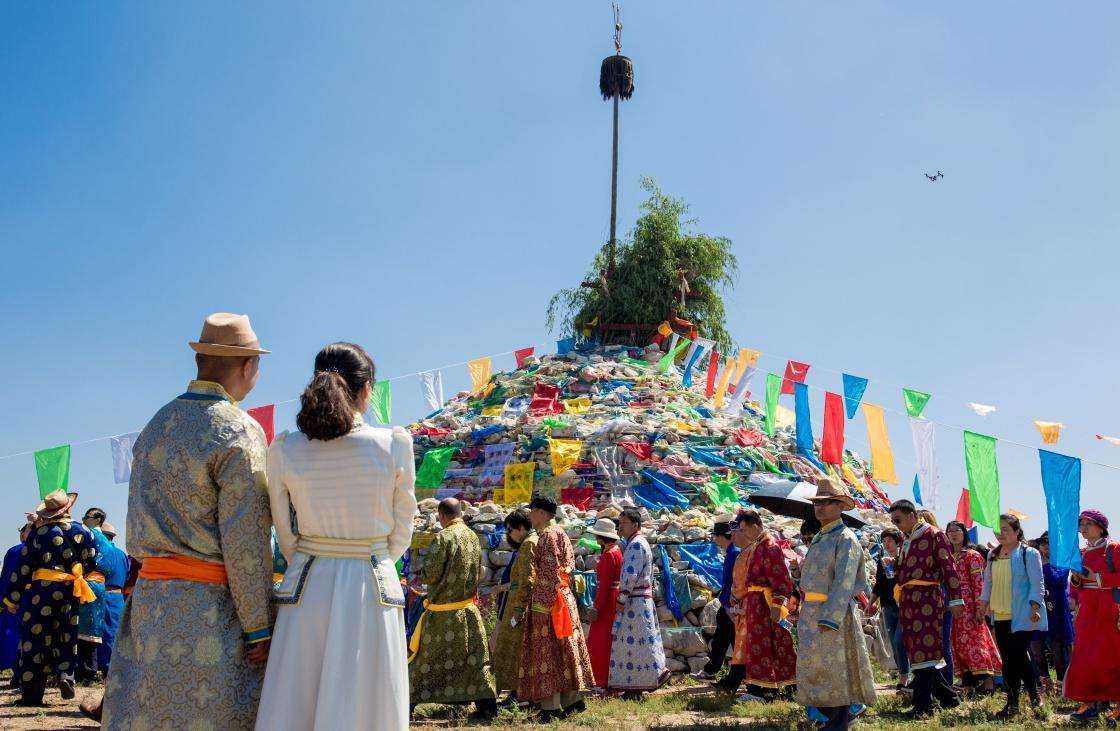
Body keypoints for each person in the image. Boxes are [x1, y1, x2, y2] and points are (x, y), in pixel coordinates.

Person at [103, 313, 275, 729]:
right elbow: (246, 539)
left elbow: (133, 523)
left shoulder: (156, 425)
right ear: (248, 366)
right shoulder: (238, 430)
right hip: (209, 613)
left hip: (151, 605)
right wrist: (259, 627)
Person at [255, 342, 417, 730]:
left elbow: (284, 531)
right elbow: (403, 527)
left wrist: (313, 553)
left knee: (298, 695)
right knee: (368, 698)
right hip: (372, 580)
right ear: (366, 389)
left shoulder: (286, 447)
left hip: (308, 581)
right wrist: (375, 554)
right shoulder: (394, 443)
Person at [796, 478, 876, 731]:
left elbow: (844, 581)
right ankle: (834, 719)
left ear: (840, 506)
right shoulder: (821, 538)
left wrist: (830, 616)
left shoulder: (846, 538)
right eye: (818, 502)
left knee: (835, 668)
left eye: (827, 502)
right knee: (816, 667)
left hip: (832, 615)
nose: (820, 507)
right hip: (811, 612)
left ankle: (839, 721)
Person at [3, 490, 97, 706]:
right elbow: (92, 562)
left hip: (41, 593)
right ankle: (66, 676)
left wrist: (11, 599)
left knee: (34, 640)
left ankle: (32, 695)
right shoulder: (84, 531)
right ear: (68, 508)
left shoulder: (39, 533)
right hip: (70, 590)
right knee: (66, 635)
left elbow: (23, 567)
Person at [407, 498, 496, 719]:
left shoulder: (443, 537)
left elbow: (432, 573)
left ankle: (407, 705)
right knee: (475, 663)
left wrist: (422, 576)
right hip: (467, 611)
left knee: (424, 662)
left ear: (442, 516)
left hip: (442, 615)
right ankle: (487, 707)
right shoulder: (472, 536)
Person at [518, 496, 594, 720]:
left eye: (532, 511)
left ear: (542, 513)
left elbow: (549, 574)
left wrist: (541, 605)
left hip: (550, 603)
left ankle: (550, 709)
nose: (530, 516)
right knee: (565, 652)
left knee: (547, 654)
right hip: (562, 598)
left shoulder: (547, 536)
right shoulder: (559, 532)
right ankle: (573, 702)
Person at [889, 499, 963, 718]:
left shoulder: (934, 534)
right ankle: (948, 698)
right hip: (909, 601)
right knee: (916, 649)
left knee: (926, 649)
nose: (896, 525)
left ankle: (923, 706)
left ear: (912, 515)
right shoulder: (907, 539)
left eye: (898, 520)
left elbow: (948, 567)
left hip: (928, 599)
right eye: (893, 521)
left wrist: (956, 599)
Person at [979, 513, 1046, 718]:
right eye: (997, 530)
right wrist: (983, 603)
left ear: (1017, 531)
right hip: (999, 613)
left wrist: (1035, 607)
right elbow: (988, 582)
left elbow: (1037, 583)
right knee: (1011, 657)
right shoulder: (993, 554)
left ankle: (1014, 703)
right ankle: (1032, 698)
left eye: (1006, 529)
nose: (1001, 534)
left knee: (1013, 659)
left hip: (1022, 613)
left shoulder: (1029, 553)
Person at [726, 508, 796, 702]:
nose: (742, 534)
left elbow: (781, 578)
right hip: (755, 603)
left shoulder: (770, 546)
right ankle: (763, 689)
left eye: (744, 529)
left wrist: (776, 606)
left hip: (766, 603)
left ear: (755, 526)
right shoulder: (758, 545)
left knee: (768, 645)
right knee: (759, 645)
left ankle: (762, 691)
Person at [1063, 509, 1120, 723]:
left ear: (1101, 527)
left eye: (1088, 524)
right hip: (1087, 611)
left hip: (1110, 608)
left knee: (1112, 656)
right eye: (1081, 524)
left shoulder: (1113, 549)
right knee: (1086, 656)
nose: (1083, 528)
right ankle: (1089, 705)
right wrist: (1074, 595)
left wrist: (1095, 578)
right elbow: (1075, 583)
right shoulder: (1081, 552)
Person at [608, 507, 669, 698]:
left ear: (635, 524)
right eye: (620, 523)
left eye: (624, 523)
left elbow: (629, 575)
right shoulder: (639, 543)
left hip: (634, 602)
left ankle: (637, 686)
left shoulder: (635, 545)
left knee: (633, 645)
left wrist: (621, 597)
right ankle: (637, 685)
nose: (620, 527)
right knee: (639, 645)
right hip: (640, 600)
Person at [945, 520, 1000, 693]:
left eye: (957, 530)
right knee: (958, 646)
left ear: (964, 533)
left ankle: (989, 683)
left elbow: (978, 583)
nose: (953, 534)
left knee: (976, 644)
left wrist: (980, 608)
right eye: (950, 531)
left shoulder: (971, 555)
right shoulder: (945, 557)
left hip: (970, 608)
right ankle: (967, 685)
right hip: (952, 609)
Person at [491, 509, 538, 701]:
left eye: (510, 530)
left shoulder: (528, 545)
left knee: (514, 651)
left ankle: (516, 692)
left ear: (520, 528)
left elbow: (527, 580)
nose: (508, 534)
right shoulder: (529, 543)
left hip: (519, 607)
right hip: (516, 604)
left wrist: (518, 610)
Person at [1030, 532, 1073, 694]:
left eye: (1050, 543)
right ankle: (1044, 684)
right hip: (1037, 610)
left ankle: (1062, 686)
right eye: (1043, 543)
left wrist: (1046, 565)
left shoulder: (1062, 562)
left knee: (1058, 651)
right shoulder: (1033, 560)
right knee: (1036, 649)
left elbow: (1059, 582)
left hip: (1057, 611)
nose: (1046, 546)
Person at [698, 520, 739, 681]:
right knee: (722, 638)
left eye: (716, 536)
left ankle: (739, 673)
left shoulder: (734, 553)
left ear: (722, 536)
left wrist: (729, 603)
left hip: (731, 603)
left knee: (732, 639)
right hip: (727, 602)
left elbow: (734, 581)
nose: (715, 540)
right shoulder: (731, 552)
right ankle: (711, 671)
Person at [870, 527, 910, 690]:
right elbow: (879, 584)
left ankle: (905, 676)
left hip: (903, 604)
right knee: (893, 642)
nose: (887, 544)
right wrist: (871, 601)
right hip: (887, 605)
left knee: (899, 640)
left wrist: (895, 565)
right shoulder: (882, 561)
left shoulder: (904, 559)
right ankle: (903, 676)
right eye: (884, 541)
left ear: (898, 542)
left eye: (890, 541)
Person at [586, 517, 622, 688]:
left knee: (599, 641)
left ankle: (601, 680)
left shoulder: (608, 555)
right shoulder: (616, 551)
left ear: (601, 536)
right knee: (608, 641)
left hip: (606, 602)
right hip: (613, 598)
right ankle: (608, 680)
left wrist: (596, 607)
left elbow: (605, 585)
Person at [95, 522, 129, 673]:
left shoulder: (102, 552)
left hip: (103, 595)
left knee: (101, 633)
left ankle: (106, 668)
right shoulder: (122, 554)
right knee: (115, 633)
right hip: (118, 597)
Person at [0, 523, 31, 680]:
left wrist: (5, 601)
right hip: (42, 598)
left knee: (14, 633)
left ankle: (17, 671)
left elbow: (7, 578)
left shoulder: (16, 551)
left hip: (17, 598)